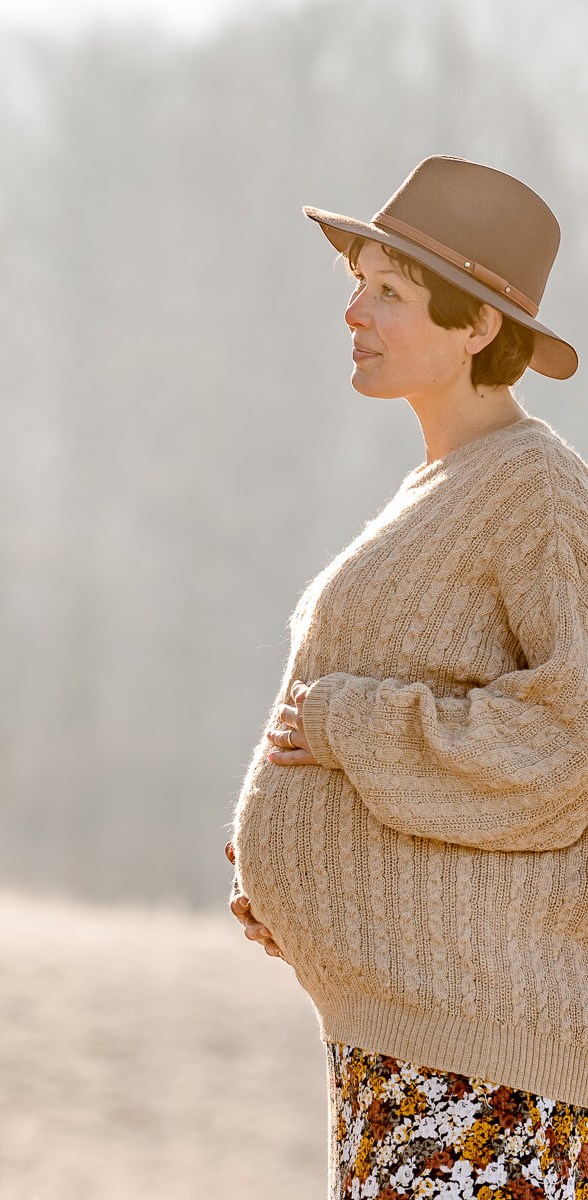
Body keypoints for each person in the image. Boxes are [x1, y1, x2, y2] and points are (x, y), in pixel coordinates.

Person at [227, 155, 588, 1200]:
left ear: (479, 327)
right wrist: (303, 877)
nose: (354, 310)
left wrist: (349, 728)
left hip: (482, 1073)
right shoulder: (443, 486)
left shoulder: (537, 498)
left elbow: (568, 743)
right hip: (409, 1051)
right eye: (359, 282)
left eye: (390, 291)